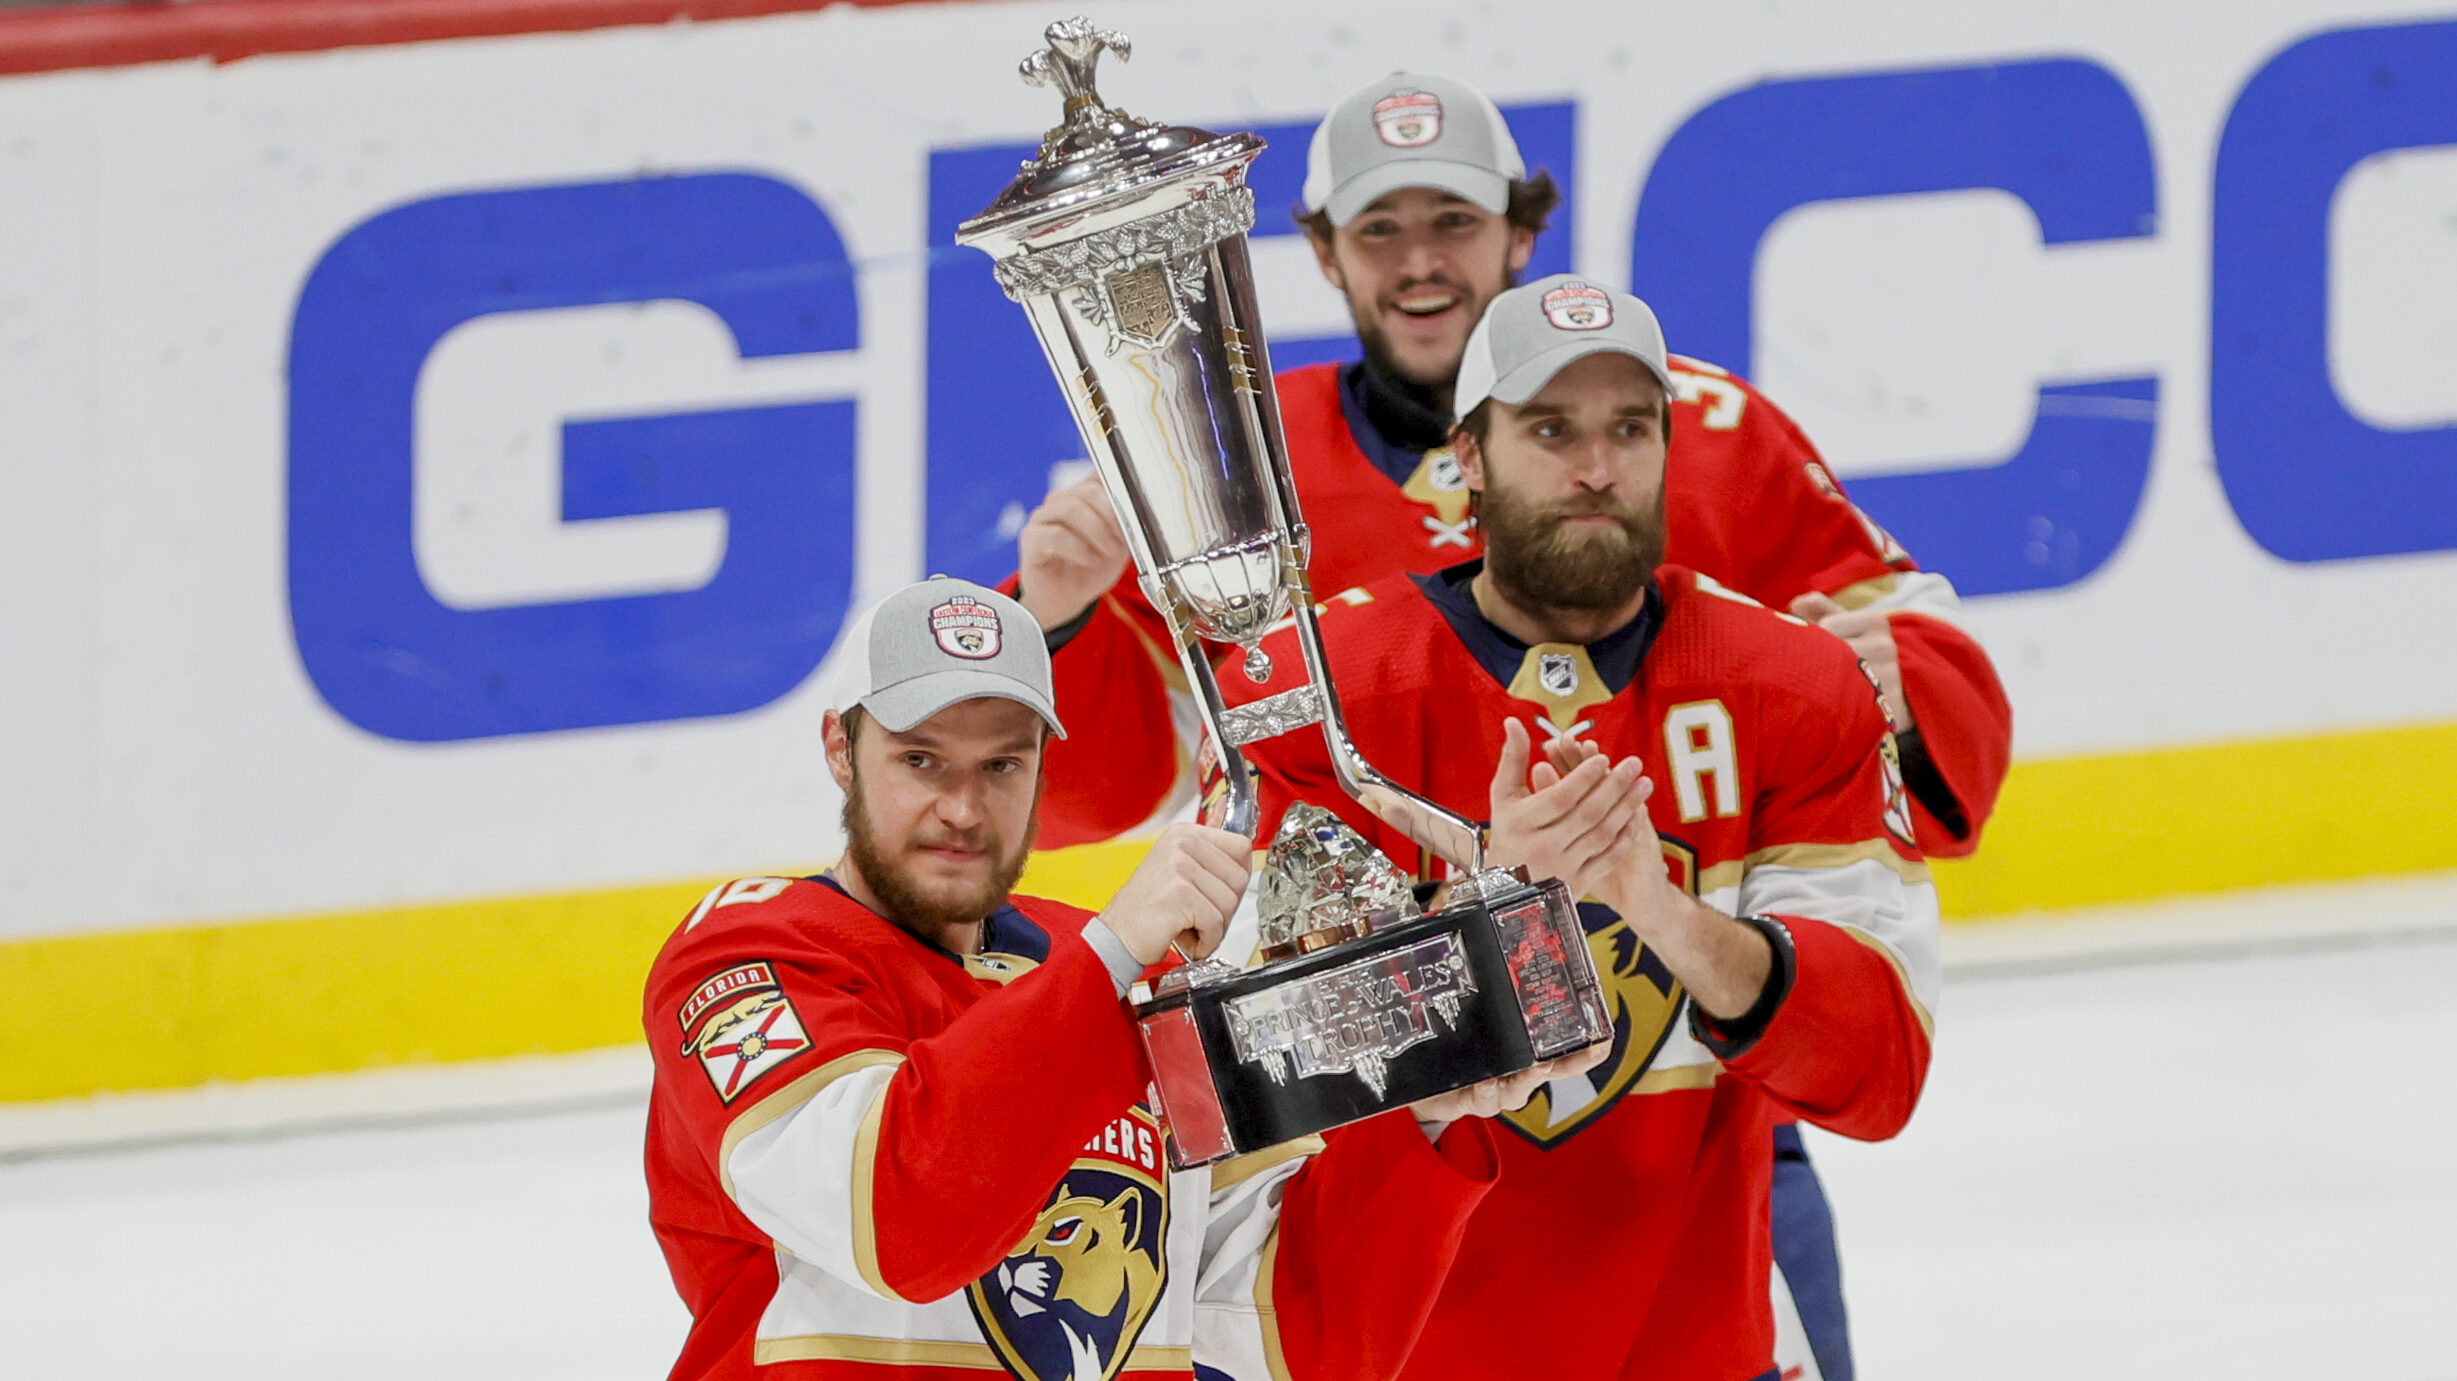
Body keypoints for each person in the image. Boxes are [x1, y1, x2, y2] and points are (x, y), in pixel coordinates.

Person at [1010, 72, 2005, 1379]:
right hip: (1407, 1167)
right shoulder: (1236, 469)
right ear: (1326, 253)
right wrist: (1061, 621)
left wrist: (1894, 679)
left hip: (1702, 1106)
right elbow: (1128, 833)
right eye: (1381, 228)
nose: (1420, 261)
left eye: (1454, 221)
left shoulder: (1718, 437)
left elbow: (1911, 717)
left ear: (1520, 231)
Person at [1215, 281, 1941, 1380]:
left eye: (1630, 429)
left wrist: (1660, 911)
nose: (1597, 466)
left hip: (1701, 1347)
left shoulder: (1792, 684)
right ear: (1468, 456)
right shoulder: (1318, 695)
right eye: (1551, 430)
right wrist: (1490, 913)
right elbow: (1246, 1069)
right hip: (1403, 1352)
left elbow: (1877, 1065)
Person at [641, 577, 1600, 1381]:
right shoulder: (749, 956)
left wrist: (1425, 1110)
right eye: (920, 759)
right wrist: (1107, 960)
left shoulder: (1118, 982)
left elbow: (1285, 1333)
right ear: (838, 750)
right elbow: (899, 1222)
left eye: (1000, 764)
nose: (962, 807)